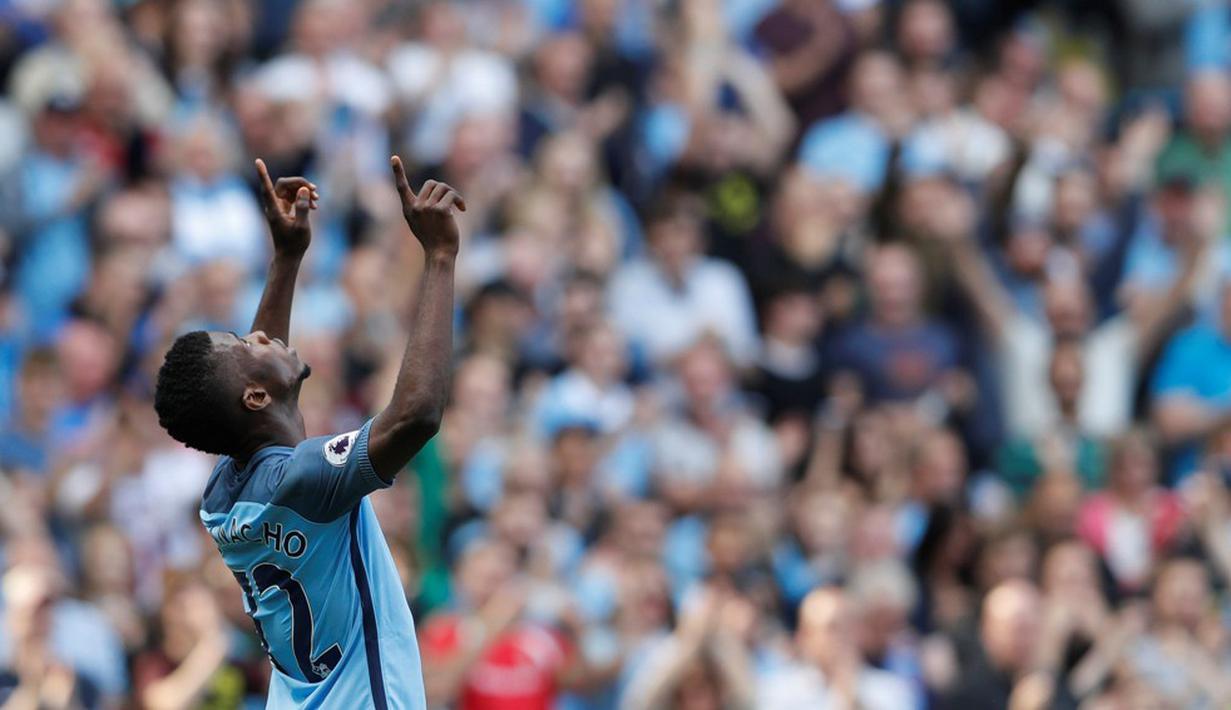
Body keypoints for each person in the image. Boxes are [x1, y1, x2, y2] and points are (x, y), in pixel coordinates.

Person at [152, 156, 465, 708]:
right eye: (246, 344)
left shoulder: (223, 496)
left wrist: (287, 259)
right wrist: (439, 259)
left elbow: (258, 415)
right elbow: (416, 416)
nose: (259, 335)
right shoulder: (303, 480)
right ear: (254, 395)